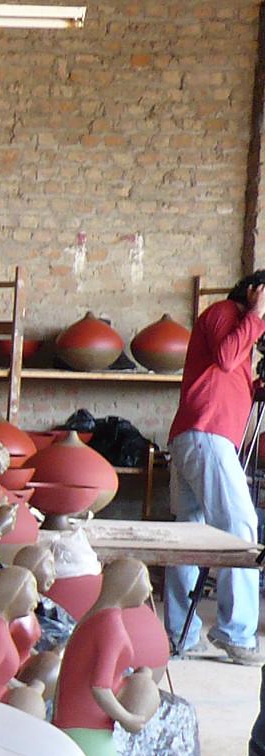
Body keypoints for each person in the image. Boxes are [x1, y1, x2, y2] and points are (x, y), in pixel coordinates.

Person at [166, 270, 265, 668]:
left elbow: (230, 373)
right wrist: (256, 314)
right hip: (208, 435)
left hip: (197, 435)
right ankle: (236, 632)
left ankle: (182, 634)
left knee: (189, 535)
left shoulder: (238, 327)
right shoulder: (226, 312)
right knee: (240, 526)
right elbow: (225, 357)